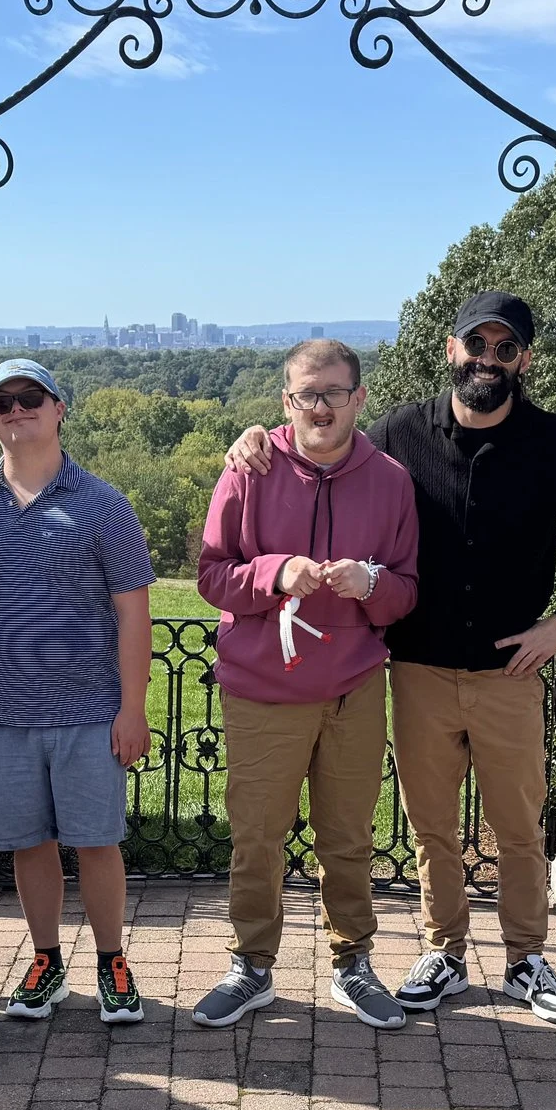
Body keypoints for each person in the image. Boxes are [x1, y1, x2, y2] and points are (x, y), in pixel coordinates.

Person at [224, 292, 556, 1023]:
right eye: (476, 344)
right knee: (431, 828)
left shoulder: (554, 442)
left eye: (505, 348)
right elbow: (321, 439)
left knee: (519, 826)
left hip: (511, 668)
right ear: (452, 350)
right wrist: (254, 436)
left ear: (524, 361)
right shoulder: (399, 434)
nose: (488, 359)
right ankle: (444, 952)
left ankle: (525, 958)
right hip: (417, 666)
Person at [195, 341, 420, 1031]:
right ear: (286, 401)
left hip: (353, 689)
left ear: (359, 398)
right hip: (263, 688)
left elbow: (407, 591)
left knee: (347, 837)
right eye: (306, 395)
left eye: (333, 393)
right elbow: (212, 575)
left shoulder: (391, 481)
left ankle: (353, 962)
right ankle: (251, 965)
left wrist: (371, 583)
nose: (320, 407)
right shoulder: (250, 468)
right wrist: (274, 572)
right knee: (256, 837)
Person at [0, 359, 155, 1026]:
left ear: (59, 408)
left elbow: (134, 614)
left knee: (97, 842)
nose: (17, 409)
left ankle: (112, 962)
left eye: (30, 397)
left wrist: (132, 707)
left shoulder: (104, 504)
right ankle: (46, 961)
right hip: (3, 709)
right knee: (27, 843)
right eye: (2, 402)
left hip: (89, 709)